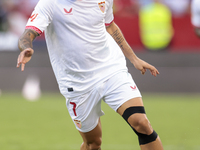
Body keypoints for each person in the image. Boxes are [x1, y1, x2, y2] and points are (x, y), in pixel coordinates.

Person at [17, 0, 163, 150]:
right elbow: (27, 35)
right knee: (93, 144)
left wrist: (134, 58)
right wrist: (26, 48)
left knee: (141, 123)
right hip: (76, 83)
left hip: (110, 69)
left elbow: (110, 26)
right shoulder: (50, 3)